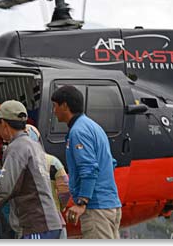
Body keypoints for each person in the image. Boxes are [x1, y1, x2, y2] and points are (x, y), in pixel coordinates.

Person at [0, 100, 62, 239]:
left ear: (5, 125)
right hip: (49, 224)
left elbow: (5, 190)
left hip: (36, 225)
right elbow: (24, 181)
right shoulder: (33, 145)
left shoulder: (16, 148)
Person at [51, 85, 122, 239]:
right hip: (110, 204)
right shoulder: (93, 126)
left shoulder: (78, 131)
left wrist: (82, 202)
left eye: (55, 106)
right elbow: (111, 163)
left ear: (65, 106)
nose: (54, 110)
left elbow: (89, 168)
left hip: (96, 209)